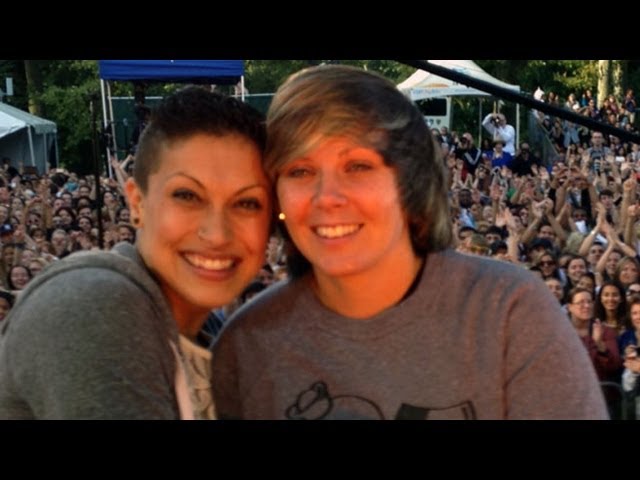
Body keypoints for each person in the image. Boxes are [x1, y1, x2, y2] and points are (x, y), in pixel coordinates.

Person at [211, 65, 608, 420]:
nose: (326, 197)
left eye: (357, 166)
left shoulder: (509, 312)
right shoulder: (248, 343)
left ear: (410, 183)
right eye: (300, 170)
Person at [0, 86, 272, 419]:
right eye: (187, 196)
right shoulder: (94, 303)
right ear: (136, 202)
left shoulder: (209, 339)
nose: (217, 234)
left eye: (247, 203)